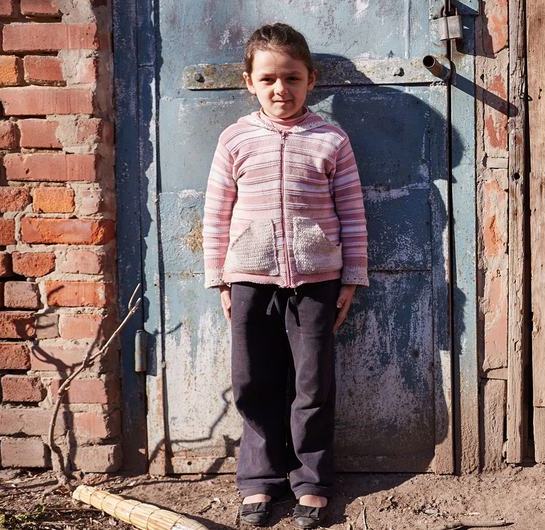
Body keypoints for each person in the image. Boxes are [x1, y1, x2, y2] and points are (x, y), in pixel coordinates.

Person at [201, 22, 369, 529]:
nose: (281, 89)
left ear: (311, 80)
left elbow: (353, 212)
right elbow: (216, 214)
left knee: (312, 384)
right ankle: (259, 480)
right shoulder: (235, 140)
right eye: (269, 78)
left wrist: (351, 277)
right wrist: (221, 279)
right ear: (248, 81)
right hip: (250, 279)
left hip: (317, 280)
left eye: (292, 78)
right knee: (253, 380)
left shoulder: (330, 140)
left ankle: (312, 481)